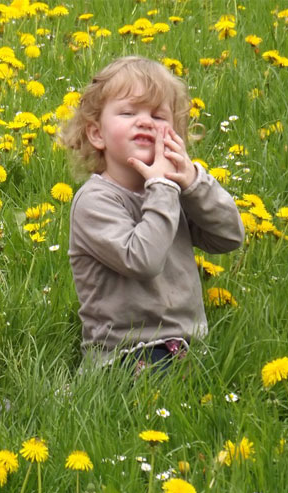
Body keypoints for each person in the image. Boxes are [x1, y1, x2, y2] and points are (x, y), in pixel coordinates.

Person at [61, 56, 244, 372]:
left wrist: (194, 183)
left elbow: (229, 237)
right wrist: (162, 187)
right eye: (129, 112)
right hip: (123, 353)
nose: (145, 121)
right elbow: (143, 260)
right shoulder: (94, 201)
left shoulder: (173, 191)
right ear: (97, 134)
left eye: (158, 115)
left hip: (185, 346)